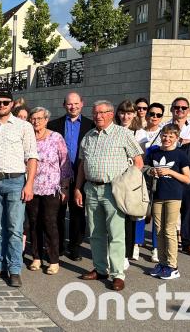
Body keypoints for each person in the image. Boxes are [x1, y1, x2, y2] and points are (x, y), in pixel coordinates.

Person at [73, 100, 143, 292]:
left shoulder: (123, 134)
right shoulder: (88, 136)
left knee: (116, 234)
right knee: (95, 232)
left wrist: (126, 184)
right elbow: (81, 165)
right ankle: (101, 269)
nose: (98, 116)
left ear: (112, 114)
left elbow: (138, 162)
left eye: (103, 113)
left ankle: (118, 274)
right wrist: (78, 188)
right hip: (91, 189)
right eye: (96, 113)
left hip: (114, 190)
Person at [0, 90, 38, 288]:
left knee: (14, 228)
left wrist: (29, 184)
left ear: (12, 104)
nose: (1, 106)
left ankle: (14, 269)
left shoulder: (24, 126)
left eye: (5, 102)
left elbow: (31, 157)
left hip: (16, 181)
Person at [47, 92, 94, 261]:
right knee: (57, 213)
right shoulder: (54, 125)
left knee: (77, 214)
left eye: (76, 103)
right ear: (64, 105)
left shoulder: (91, 125)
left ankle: (75, 247)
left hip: (81, 174)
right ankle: (57, 246)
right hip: (57, 176)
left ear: (82, 103)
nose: (72, 107)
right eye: (69, 104)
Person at [25, 107, 71, 276]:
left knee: (50, 223)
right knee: (34, 222)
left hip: (52, 187)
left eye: (39, 118)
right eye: (33, 118)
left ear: (46, 120)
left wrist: (65, 186)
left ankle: (53, 260)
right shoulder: (28, 138)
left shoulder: (56, 137)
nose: (36, 121)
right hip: (31, 187)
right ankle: (36, 257)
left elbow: (65, 163)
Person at [146, 124, 190, 280]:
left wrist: (170, 171)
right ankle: (163, 263)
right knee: (158, 230)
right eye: (165, 135)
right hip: (157, 195)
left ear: (176, 138)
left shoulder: (180, 155)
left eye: (171, 136)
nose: (167, 139)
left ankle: (173, 266)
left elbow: (187, 178)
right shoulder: (154, 153)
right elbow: (145, 169)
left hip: (174, 196)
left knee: (169, 230)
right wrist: (151, 171)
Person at [164, 97, 190, 257]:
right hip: (169, 171)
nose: (180, 110)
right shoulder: (165, 125)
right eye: (176, 107)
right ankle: (167, 240)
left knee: (189, 207)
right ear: (172, 109)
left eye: (183, 108)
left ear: (188, 111)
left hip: (189, 172)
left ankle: (188, 242)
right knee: (167, 207)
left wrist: (187, 142)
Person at [135, 102, 166, 263]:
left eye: (158, 115)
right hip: (143, 174)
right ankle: (136, 243)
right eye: (152, 113)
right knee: (140, 210)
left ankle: (155, 247)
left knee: (157, 213)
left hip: (161, 176)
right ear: (146, 115)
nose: (154, 117)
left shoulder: (165, 132)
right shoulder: (139, 133)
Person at [116, 100, 142, 264]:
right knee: (115, 217)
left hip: (131, 178)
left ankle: (126, 253)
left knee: (129, 217)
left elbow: (140, 159)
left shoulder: (139, 133)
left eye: (129, 113)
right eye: (123, 113)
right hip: (115, 178)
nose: (126, 116)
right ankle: (114, 250)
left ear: (134, 114)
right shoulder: (113, 130)